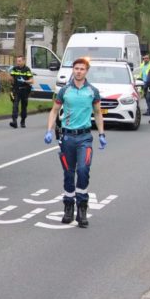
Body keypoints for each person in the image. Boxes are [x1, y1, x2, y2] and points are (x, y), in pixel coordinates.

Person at [44, 58, 106, 228]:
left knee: (83, 170)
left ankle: (82, 209)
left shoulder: (93, 91)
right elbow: (54, 111)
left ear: (87, 71)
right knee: (69, 173)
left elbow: (98, 113)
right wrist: (49, 130)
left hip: (84, 137)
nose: (79, 71)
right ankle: (68, 208)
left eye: (82, 69)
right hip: (67, 138)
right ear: (73, 70)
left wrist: (101, 133)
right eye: (76, 68)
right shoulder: (64, 91)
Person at [8, 55, 34, 128]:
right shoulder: (14, 69)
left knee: (24, 106)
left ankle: (23, 121)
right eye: (17, 61)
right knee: (15, 105)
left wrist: (25, 81)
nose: (18, 62)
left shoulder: (27, 69)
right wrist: (9, 75)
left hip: (25, 90)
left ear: (23, 61)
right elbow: (11, 79)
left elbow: (32, 81)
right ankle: (14, 121)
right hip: (16, 90)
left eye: (19, 61)